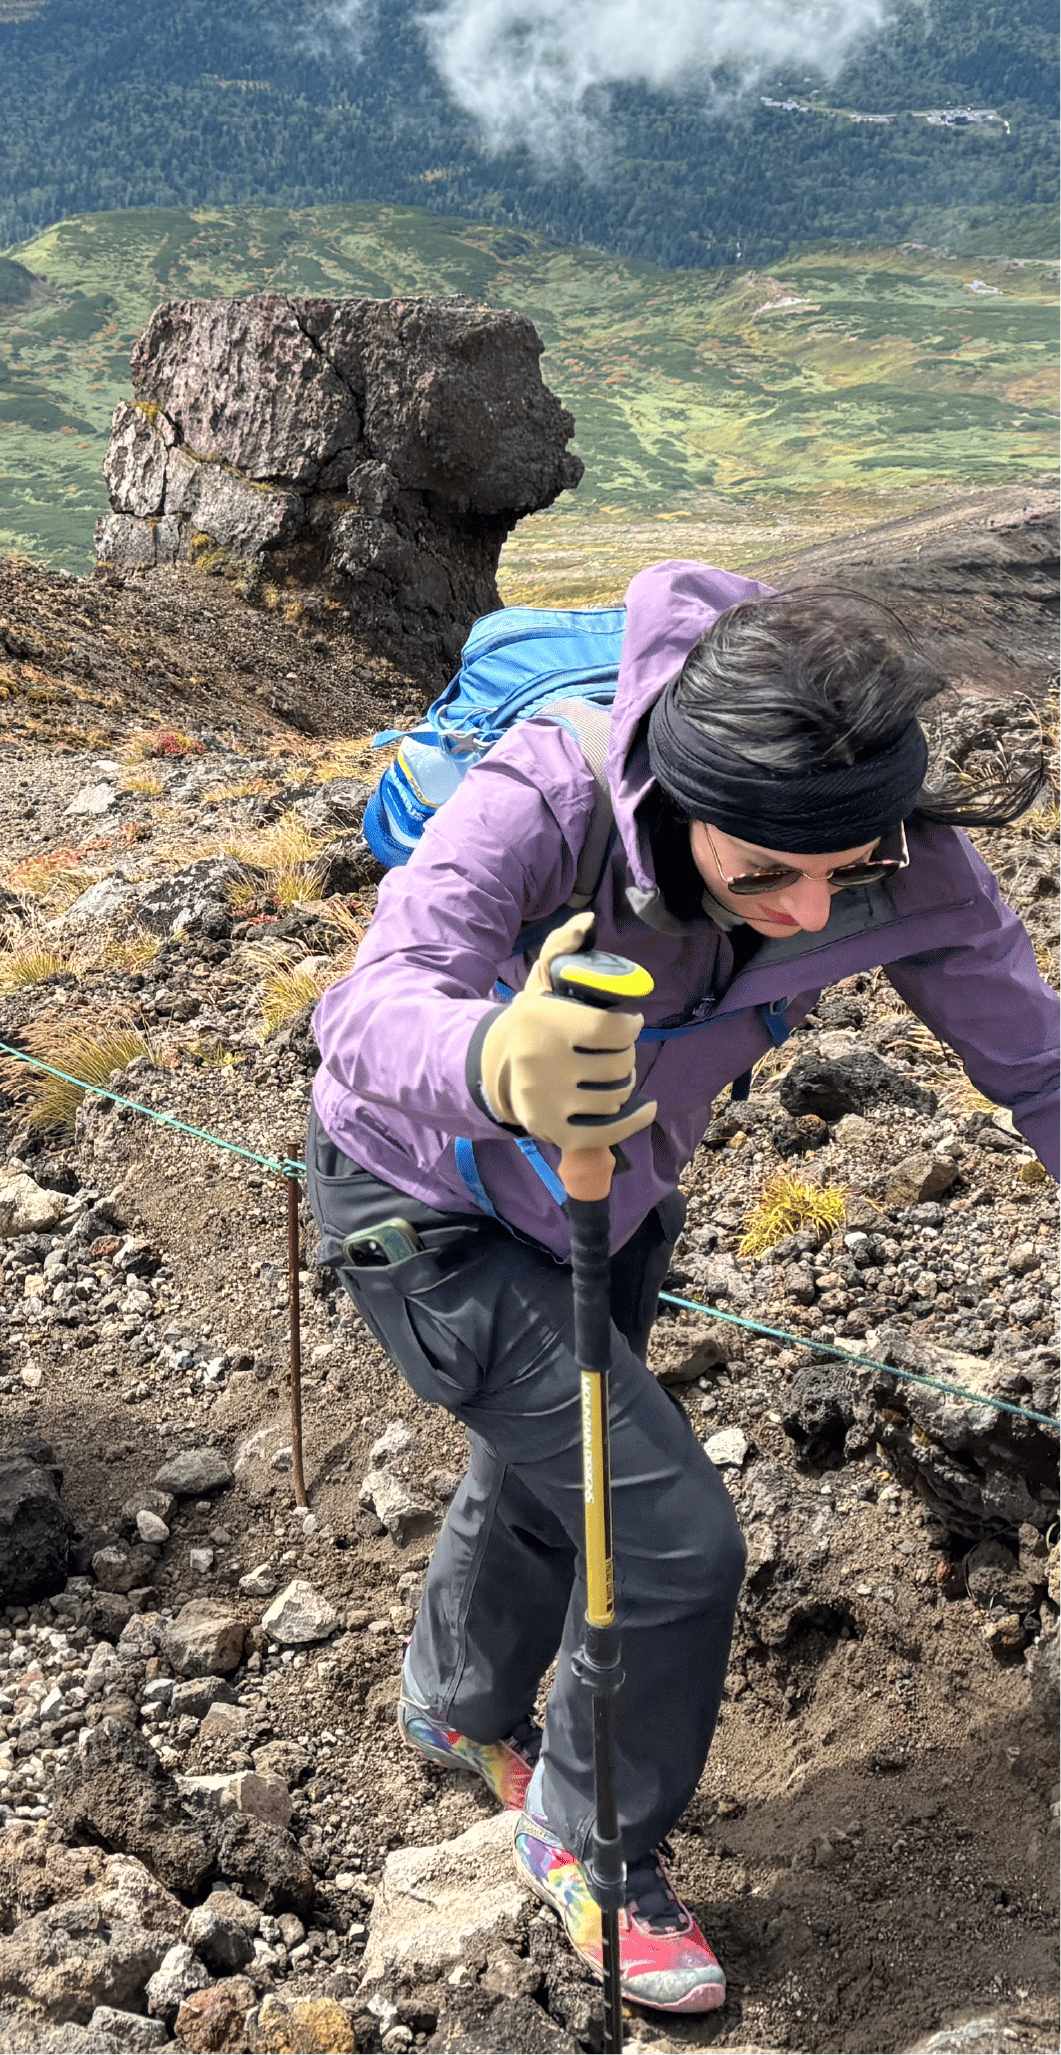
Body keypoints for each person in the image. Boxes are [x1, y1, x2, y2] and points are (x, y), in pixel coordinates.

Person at [308, 568, 1058, 2017]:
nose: (812, 904)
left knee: (551, 1474)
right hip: (428, 1201)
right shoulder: (549, 792)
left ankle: (456, 1704)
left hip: (619, 1194)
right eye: (767, 872)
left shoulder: (892, 847)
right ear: (677, 795)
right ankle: (593, 1847)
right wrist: (494, 1063)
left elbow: (1034, 1059)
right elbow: (369, 1002)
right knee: (669, 1543)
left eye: (846, 867)